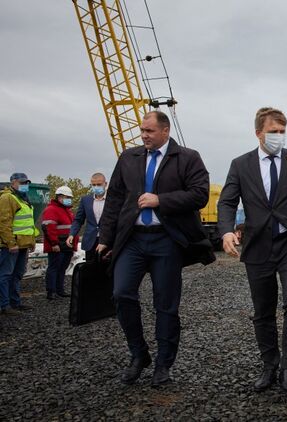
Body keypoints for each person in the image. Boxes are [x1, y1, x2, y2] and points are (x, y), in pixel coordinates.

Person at [96, 110, 214, 387]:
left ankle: (163, 364)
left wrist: (161, 200)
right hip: (133, 239)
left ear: (165, 131)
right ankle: (139, 354)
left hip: (167, 240)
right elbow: (114, 199)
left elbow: (200, 194)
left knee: (166, 305)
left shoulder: (188, 158)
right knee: (121, 293)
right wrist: (106, 237)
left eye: (149, 131)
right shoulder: (128, 158)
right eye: (142, 130)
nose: (144, 135)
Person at [217, 107, 287, 393]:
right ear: (258, 133)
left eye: (282, 131)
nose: (279, 136)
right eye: (273, 131)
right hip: (257, 244)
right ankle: (270, 363)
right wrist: (226, 230)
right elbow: (227, 201)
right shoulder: (240, 165)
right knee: (263, 309)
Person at [0, 173, 38, 315]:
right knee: (5, 274)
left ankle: (15, 302)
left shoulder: (23, 198)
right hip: (11, 246)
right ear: (13, 183)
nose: (25, 185)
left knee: (17, 275)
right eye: (22, 183)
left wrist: (31, 241)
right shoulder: (7, 198)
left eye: (26, 183)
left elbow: (28, 223)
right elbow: (4, 223)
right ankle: (4, 305)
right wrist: (11, 243)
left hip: (22, 244)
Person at [41, 186, 78, 300]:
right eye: (67, 197)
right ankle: (51, 291)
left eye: (70, 198)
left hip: (67, 245)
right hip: (58, 244)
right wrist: (54, 244)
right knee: (54, 267)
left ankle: (59, 290)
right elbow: (48, 228)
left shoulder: (67, 211)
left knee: (62, 268)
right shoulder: (51, 209)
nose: (69, 200)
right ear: (60, 197)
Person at [67, 173, 107, 261]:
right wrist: (72, 234)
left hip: (107, 241)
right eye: (94, 185)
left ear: (105, 184)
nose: (96, 187)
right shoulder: (85, 200)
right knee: (90, 267)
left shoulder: (112, 199)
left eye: (99, 184)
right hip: (90, 241)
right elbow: (78, 220)